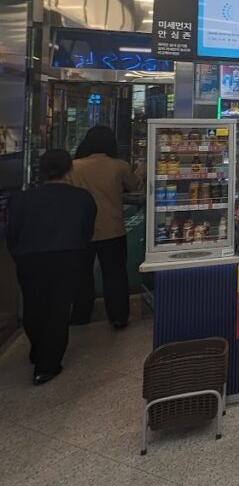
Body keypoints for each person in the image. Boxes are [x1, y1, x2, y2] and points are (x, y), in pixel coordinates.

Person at [8, 150, 96, 384]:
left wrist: (19, 255)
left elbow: (12, 233)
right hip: (67, 257)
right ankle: (47, 365)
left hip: (29, 259)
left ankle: (38, 350)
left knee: (33, 305)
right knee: (58, 308)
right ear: (69, 170)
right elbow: (87, 230)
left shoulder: (21, 199)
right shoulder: (81, 197)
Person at [70, 125, 143, 329]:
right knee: (115, 274)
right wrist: (141, 171)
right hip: (112, 227)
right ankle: (118, 316)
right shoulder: (118, 166)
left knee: (82, 274)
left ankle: (81, 314)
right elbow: (135, 185)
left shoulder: (74, 167)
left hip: (82, 229)